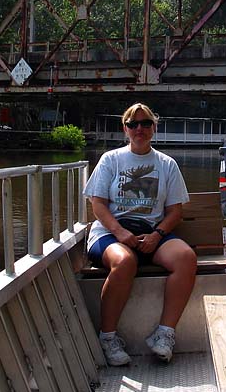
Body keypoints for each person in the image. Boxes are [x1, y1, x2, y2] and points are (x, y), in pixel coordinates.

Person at [84, 103, 196, 365]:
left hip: (150, 234)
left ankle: (164, 334)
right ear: (125, 129)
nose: (140, 129)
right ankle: (108, 337)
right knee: (124, 262)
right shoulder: (111, 160)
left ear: (154, 128)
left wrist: (157, 235)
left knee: (186, 258)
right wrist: (120, 232)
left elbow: (175, 212)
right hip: (110, 233)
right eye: (133, 124)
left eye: (146, 123)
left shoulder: (167, 164)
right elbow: (98, 205)